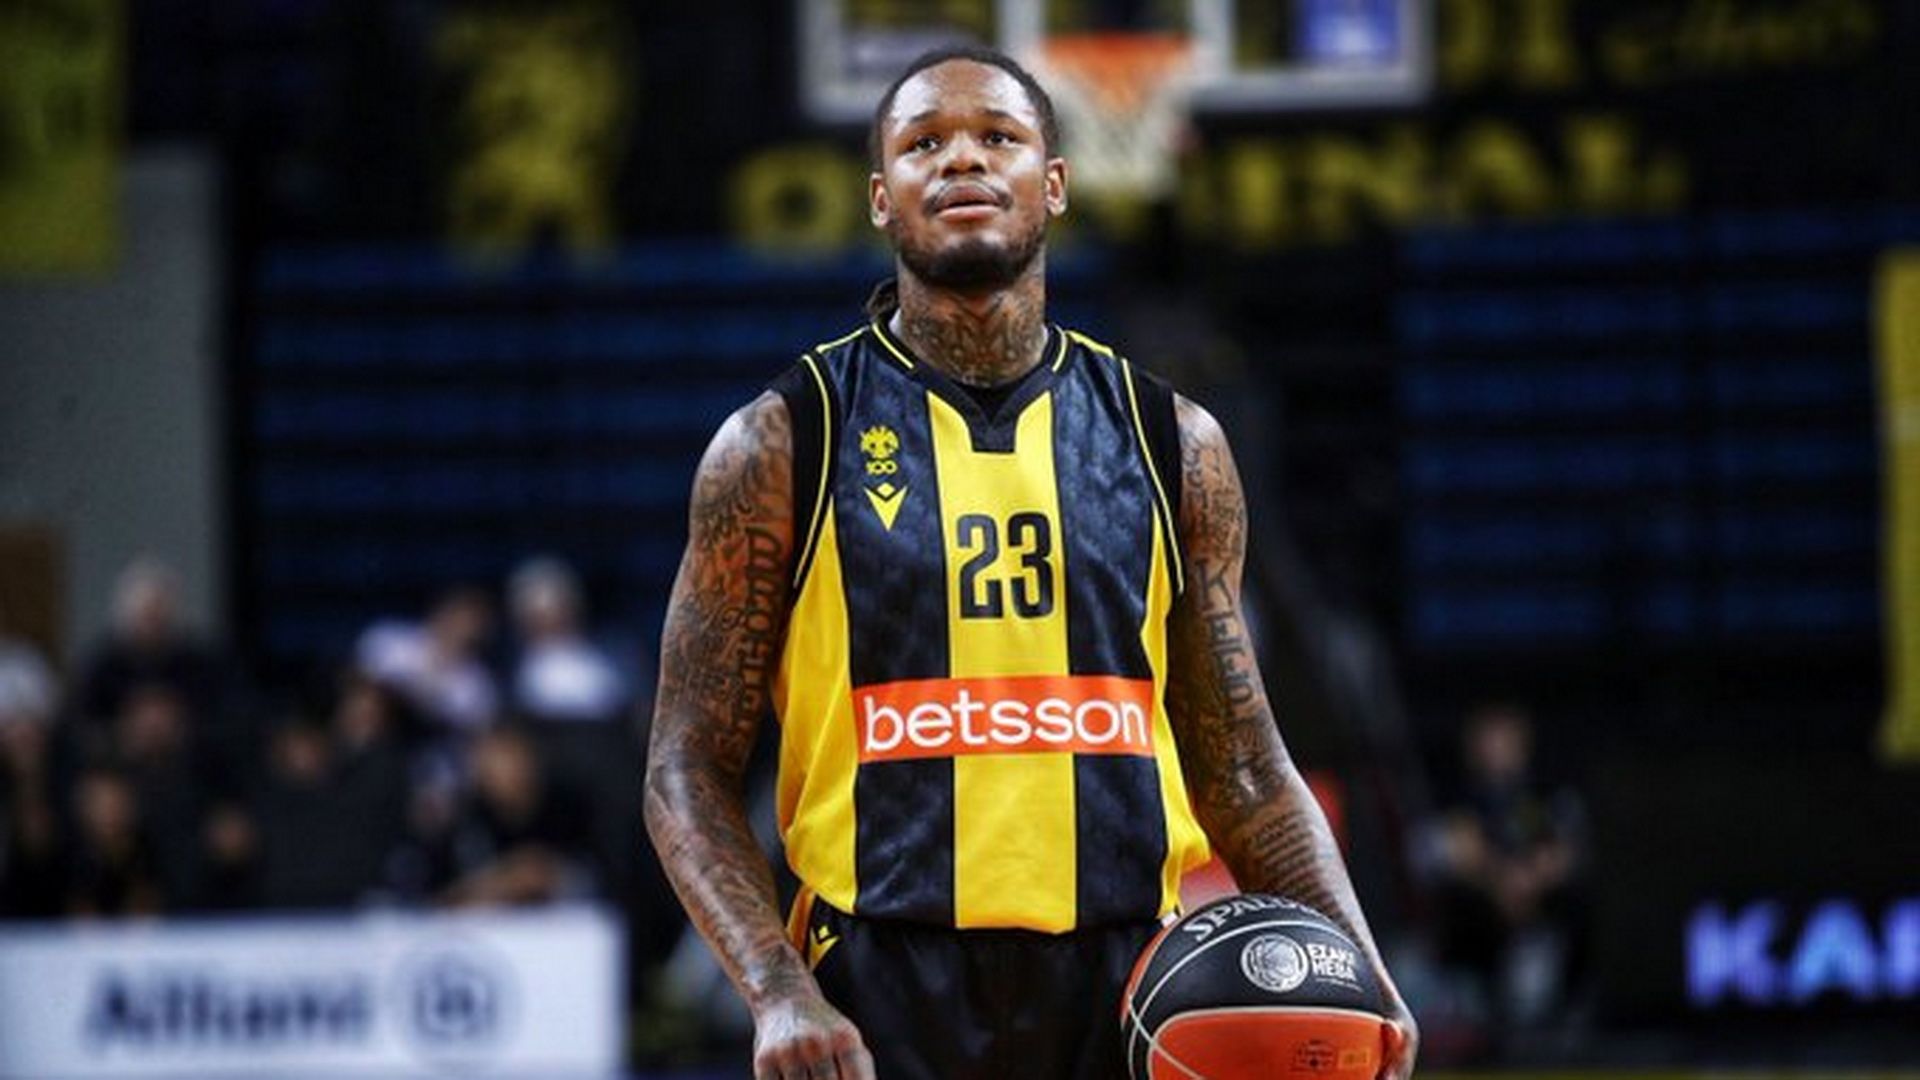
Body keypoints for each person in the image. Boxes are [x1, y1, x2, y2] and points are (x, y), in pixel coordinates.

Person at [645, 46, 1417, 1080]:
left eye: (997, 137)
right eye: (924, 142)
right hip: (874, 993)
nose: (961, 159)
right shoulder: (783, 442)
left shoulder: (1174, 442)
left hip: (1127, 986)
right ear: (880, 197)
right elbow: (684, 768)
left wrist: (1360, 964)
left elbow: (1240, 766)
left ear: (1053, 183)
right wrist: (777, 990)